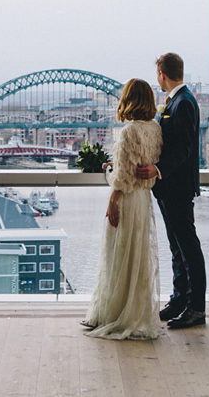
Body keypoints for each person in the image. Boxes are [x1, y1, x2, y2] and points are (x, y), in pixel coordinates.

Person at [81, 78, 163, 340]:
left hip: (126, 201)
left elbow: (124, 177)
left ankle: (112, 315)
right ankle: (135, 313)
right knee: (137, 259)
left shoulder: (128, 131)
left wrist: (111, 197)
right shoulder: (154, 129)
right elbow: (143, 171)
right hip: (143, 200)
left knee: (117, 256)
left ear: (128, 99)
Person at [136, 52, 207, 329]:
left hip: (177, 187)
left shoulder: (183, 103)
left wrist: (157, 169)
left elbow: (185, 148)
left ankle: (196, 308)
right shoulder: (178, 100)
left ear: (162, 75)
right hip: (169, 188)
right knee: (177, 248)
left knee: (188, 247)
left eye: (157, 74)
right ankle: (179, 300)